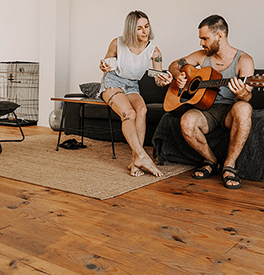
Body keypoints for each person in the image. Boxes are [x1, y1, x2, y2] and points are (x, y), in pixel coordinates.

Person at [168, 15, 254, 189]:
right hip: (206, 109)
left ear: (220, 36)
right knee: (187, 120)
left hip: (229, 112)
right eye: (200, 38)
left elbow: (247, 97)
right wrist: (178, 76)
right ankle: (211, 160)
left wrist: (242, 92)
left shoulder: (244, 60)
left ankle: (229, 166)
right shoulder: (202, 56)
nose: (201, 43)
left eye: (205, 38)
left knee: (244, 108)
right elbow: (174, 64)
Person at [99, 10, 172, 177]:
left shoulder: (154, 51)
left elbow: (158, 79)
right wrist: (103, 66)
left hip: (132, 86)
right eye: (139, 28)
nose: (145, 31)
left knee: (142, 110)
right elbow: (105, 65)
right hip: (113, 82)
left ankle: (135, 161)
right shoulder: (117, 43)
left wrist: (164, 80)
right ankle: (142, 156)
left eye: (146, 26)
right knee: (129, 113)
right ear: (131, 30)